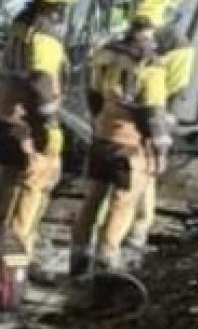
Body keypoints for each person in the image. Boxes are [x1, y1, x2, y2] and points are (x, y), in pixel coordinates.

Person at [0, 0, 78, 292]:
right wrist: (48, 127)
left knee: (3, 183)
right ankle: (14, 267)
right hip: (28, 122)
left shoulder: (21, 23)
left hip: (7, 115)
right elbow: (41, 83)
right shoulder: (45, 34)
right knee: (31, 189)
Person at [70, 16, 170, 275]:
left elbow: (93, 94)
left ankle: (79, 254)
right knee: (123, 201)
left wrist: (99, 121)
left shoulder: (105, 54)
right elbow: (152, 112)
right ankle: (106, 257)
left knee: (93, 197)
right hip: (130, 145)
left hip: (102, 137)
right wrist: (159, 149)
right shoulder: (150, 64)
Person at [124, 0, 194, 255]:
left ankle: (133, 233)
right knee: (138, 175)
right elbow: (176, 89)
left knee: (138, 176)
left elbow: (174, 90)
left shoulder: (167, 42)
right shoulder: (176, 43)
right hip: (141, 113)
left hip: (137, 114)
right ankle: (130, 234)